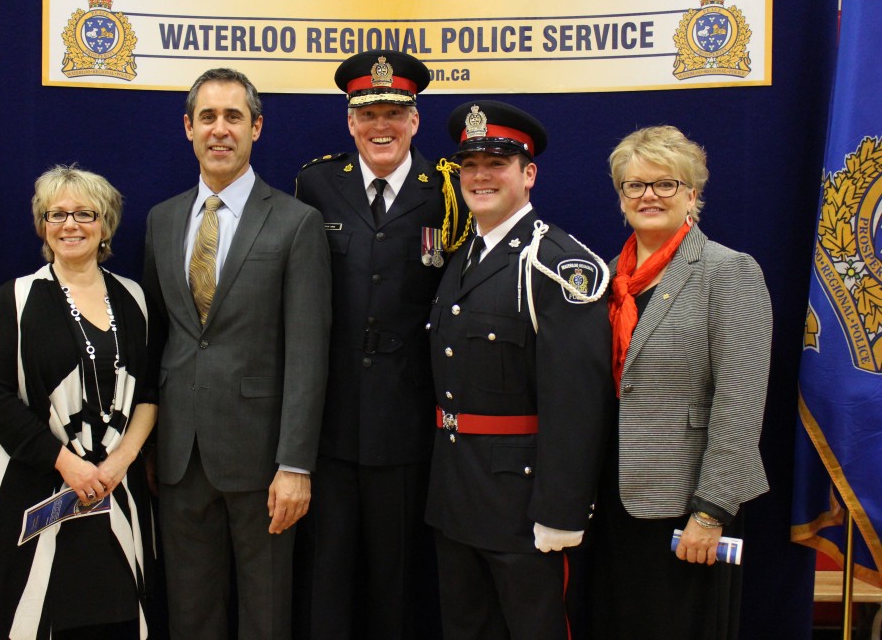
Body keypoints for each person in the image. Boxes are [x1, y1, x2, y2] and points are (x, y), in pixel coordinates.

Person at [143, 67, 331, 639]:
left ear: (256, 128)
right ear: (188, 128)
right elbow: (157, 345)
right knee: (191, 614)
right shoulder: (162, 219)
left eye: (233, 117)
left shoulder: (297, 223)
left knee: (266, 615)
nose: (219, 129)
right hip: (178, 458)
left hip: (262, 462)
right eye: (207, 117)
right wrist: (148, 443)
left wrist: (295, 464)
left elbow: (308, 352)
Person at [293, 49, 469, 639]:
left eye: (395, 111)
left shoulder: (447, 191)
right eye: (368, 114)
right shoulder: (316, 183)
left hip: (406, 421)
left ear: (415, 120)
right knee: (327, 575)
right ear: (350, 121)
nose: (382, 126)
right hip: (331, 423)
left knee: (395, 582)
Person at [426, 100, 614, 640]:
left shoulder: (556, 264)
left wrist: (562, 510)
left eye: (497, 163)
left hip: (524, 506)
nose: (480, 176)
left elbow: (577, 403)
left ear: (528, 175)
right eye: (470, 165)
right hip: (456, 496)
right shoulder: (461, 258)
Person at [587, 125, 771, 640]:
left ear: (692, 195)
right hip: (608, 502)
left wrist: (711, 512)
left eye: (665, 184)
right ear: (620, 196)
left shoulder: (727, 272)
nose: (649, 196)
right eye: (635, 185)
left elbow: (740, 400)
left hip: (684, 508)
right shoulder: (604, 279)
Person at [0, 166, 157, 639]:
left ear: (106, 224)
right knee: (37, 621)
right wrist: (66, 464)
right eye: (57, 214)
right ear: (43, 225)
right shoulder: (15, 298)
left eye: (85, 214)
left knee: (113, 620)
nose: (71, 225)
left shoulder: (135, 298)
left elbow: (152, 393)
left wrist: (119, 463)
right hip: (33, 490)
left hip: (115, 492)